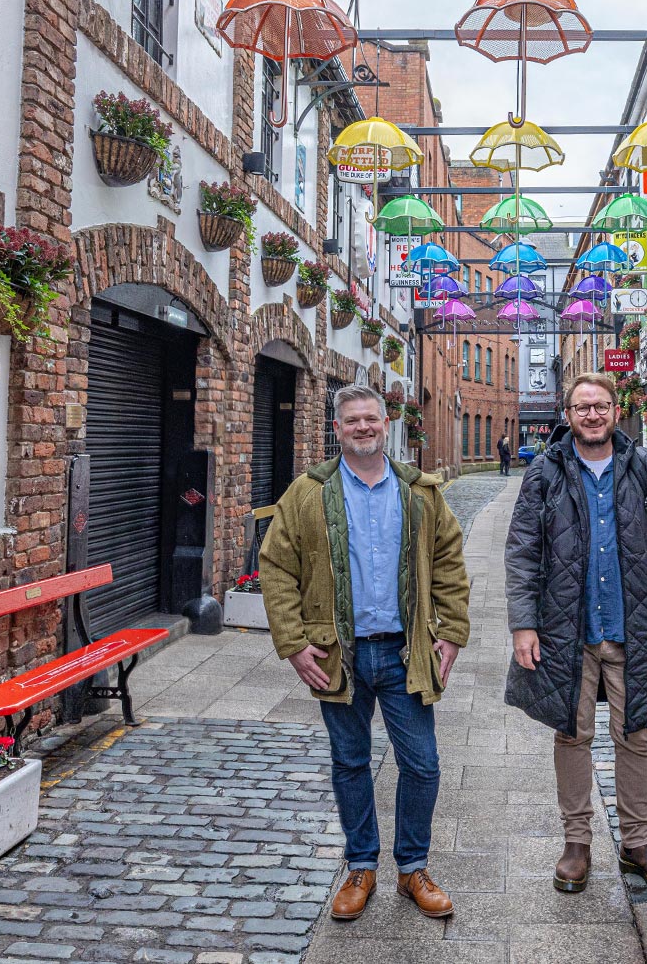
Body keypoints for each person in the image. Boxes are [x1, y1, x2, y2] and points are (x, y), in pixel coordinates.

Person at [255, 384, 471, 922]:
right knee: (350, 762)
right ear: (337, 428)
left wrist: (451, 632)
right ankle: (360, 866)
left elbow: (448, 559)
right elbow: (276, 567)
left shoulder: (419, 491)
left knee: (422, 764)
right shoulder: (307, 493)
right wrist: (293, 643)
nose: (363, 428)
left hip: (404, 651)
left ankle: (412, 867)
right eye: (352, 420)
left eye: (371, 419)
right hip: (338, 653)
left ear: (385, 424)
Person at [504, 371, 647, 895]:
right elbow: (522, 552)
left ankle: (636, 841)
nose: (592, 414)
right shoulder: (545, 472)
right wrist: (524, 623)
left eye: (601, 405)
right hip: (568, 630)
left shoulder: (641, 466)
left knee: (636, 735)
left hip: (632, 628)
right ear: (568, 415)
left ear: (614, 410)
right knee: (572, 732)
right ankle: (577, 842)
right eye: (582, 407)